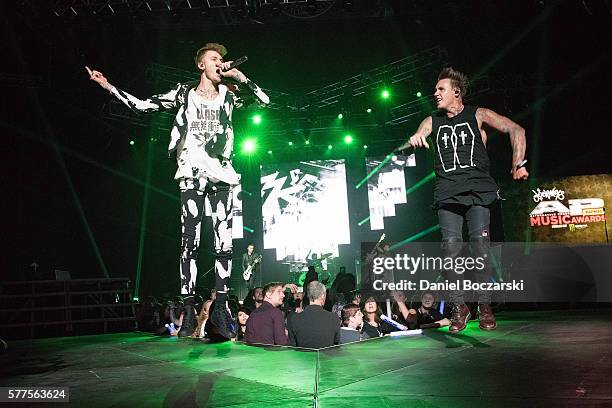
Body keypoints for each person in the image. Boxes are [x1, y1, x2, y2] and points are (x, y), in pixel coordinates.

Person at [86, 43, 269, 339]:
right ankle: (188, 310)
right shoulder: (182, 94)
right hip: (192, 171)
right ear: (201, 65)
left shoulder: (229, 95)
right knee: (190, 241)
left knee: (224, 242)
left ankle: (220, 309)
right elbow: (141, 105)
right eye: (215, 59)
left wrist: (241, 77)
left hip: (221, 172)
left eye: (223, 60)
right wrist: (106, 84)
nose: (220, 63)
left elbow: (264, 100)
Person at [396, 67, 528, 333]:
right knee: (450, 249)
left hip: (478, 191)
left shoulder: (477, 114)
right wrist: (412, 141)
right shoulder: (432, 121)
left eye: (440, 89)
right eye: (435, 90)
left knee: (480, 248)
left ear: (456, 92)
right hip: (447, 193)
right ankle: (460, 307)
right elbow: (408, 144)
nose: (435, 94)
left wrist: (518, 163)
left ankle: (484, 306)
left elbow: (517, 129)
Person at [288, 281, 340, 349]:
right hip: (326, 358)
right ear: (323, 296)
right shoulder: (333, 318)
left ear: (308, 295)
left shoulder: (294, 319)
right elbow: (337, 343)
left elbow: (292, 345)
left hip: (303, 358)